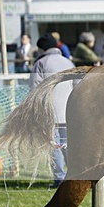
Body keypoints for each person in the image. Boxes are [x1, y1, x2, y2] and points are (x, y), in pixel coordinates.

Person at [30, 34, 75, 187]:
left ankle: (60, 178)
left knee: (54, 146)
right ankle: (74, 174)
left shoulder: (41, 63)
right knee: (68, 144)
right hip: (68, 110)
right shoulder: (68, 62)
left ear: (42, 48)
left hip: (49, 112)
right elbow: (76, 85)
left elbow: (35, 89)